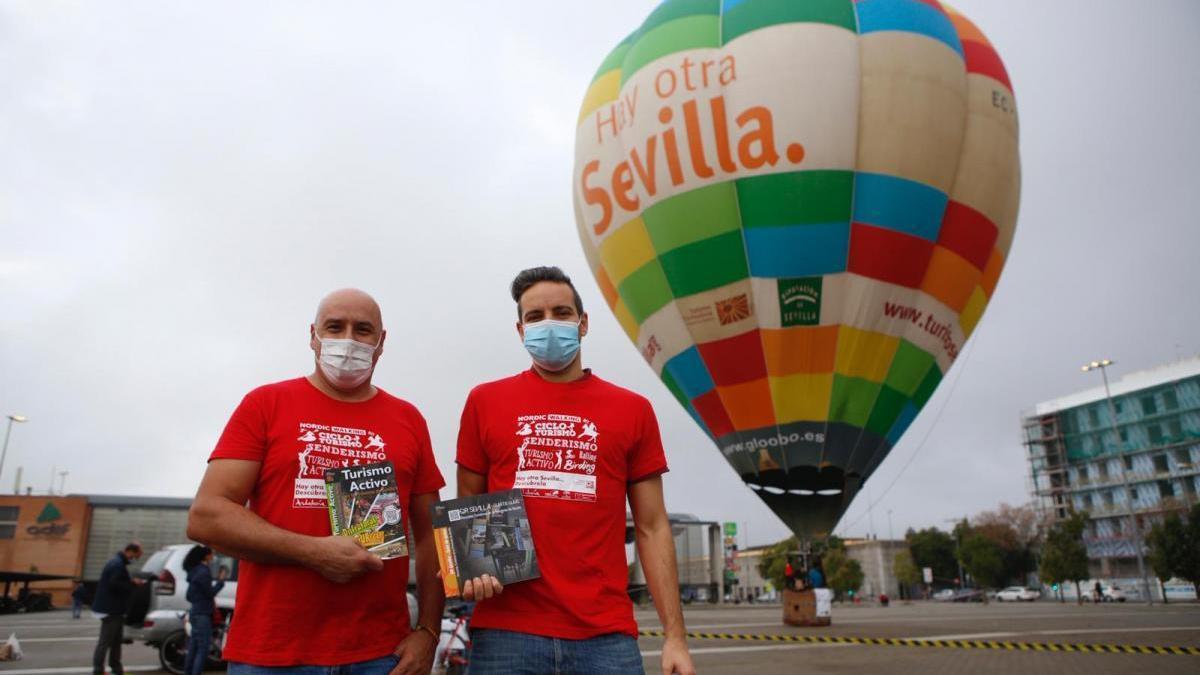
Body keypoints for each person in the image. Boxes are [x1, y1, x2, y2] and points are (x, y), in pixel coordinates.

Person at [187, 288, 445, 675]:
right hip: (272, 654)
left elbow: (432, 535)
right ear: (313, 335)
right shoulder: (265, 404)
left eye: (362, 330)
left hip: (381, 655)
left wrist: (428, 631)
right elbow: (206, 517)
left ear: (381, 342)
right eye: (334, 327)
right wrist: (312, 552)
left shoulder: (409, 419)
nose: (347, 341)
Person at [455, 266, 696, 675]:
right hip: (506, 633)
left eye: (562, 313)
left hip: (605, 636)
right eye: (535, 317)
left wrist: (675, 637)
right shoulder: (485, 401)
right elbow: (469, 503)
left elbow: (653, 527)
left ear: (583, 324)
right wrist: (476, 568)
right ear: (520, 330)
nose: (549, 324)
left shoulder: (632, 409)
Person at [91, 542, 144, 675]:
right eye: (138, 553)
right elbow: (115, 584)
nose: (139, 556)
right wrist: (132, 584)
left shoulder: (117, 562)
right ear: (131, 551)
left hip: (115, 609)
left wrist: (130, 582)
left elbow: (116, 582)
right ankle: (98, 670)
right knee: (105, 642)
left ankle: (116, 669)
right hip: (111, 609)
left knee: (115, 642)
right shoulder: (117, 565)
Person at [183, 545, 227, 675]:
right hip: (203, 614)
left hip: (195, 612)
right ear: (206, 556)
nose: (213, 556)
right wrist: (220, 581)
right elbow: (210, 593)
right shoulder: (203, 571)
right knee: (203, 650)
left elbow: (189, 595)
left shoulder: (195, 571)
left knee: (193, 648)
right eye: (212, 554)